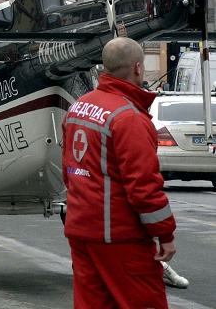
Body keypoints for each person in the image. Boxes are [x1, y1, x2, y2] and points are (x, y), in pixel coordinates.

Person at [62, 37, 176, 309]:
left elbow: (69, 170)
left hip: (81, 230)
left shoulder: (78, 107)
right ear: (138, 68)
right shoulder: (129, 118)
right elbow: (143, 187)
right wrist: (165, 234)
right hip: (120, 236)